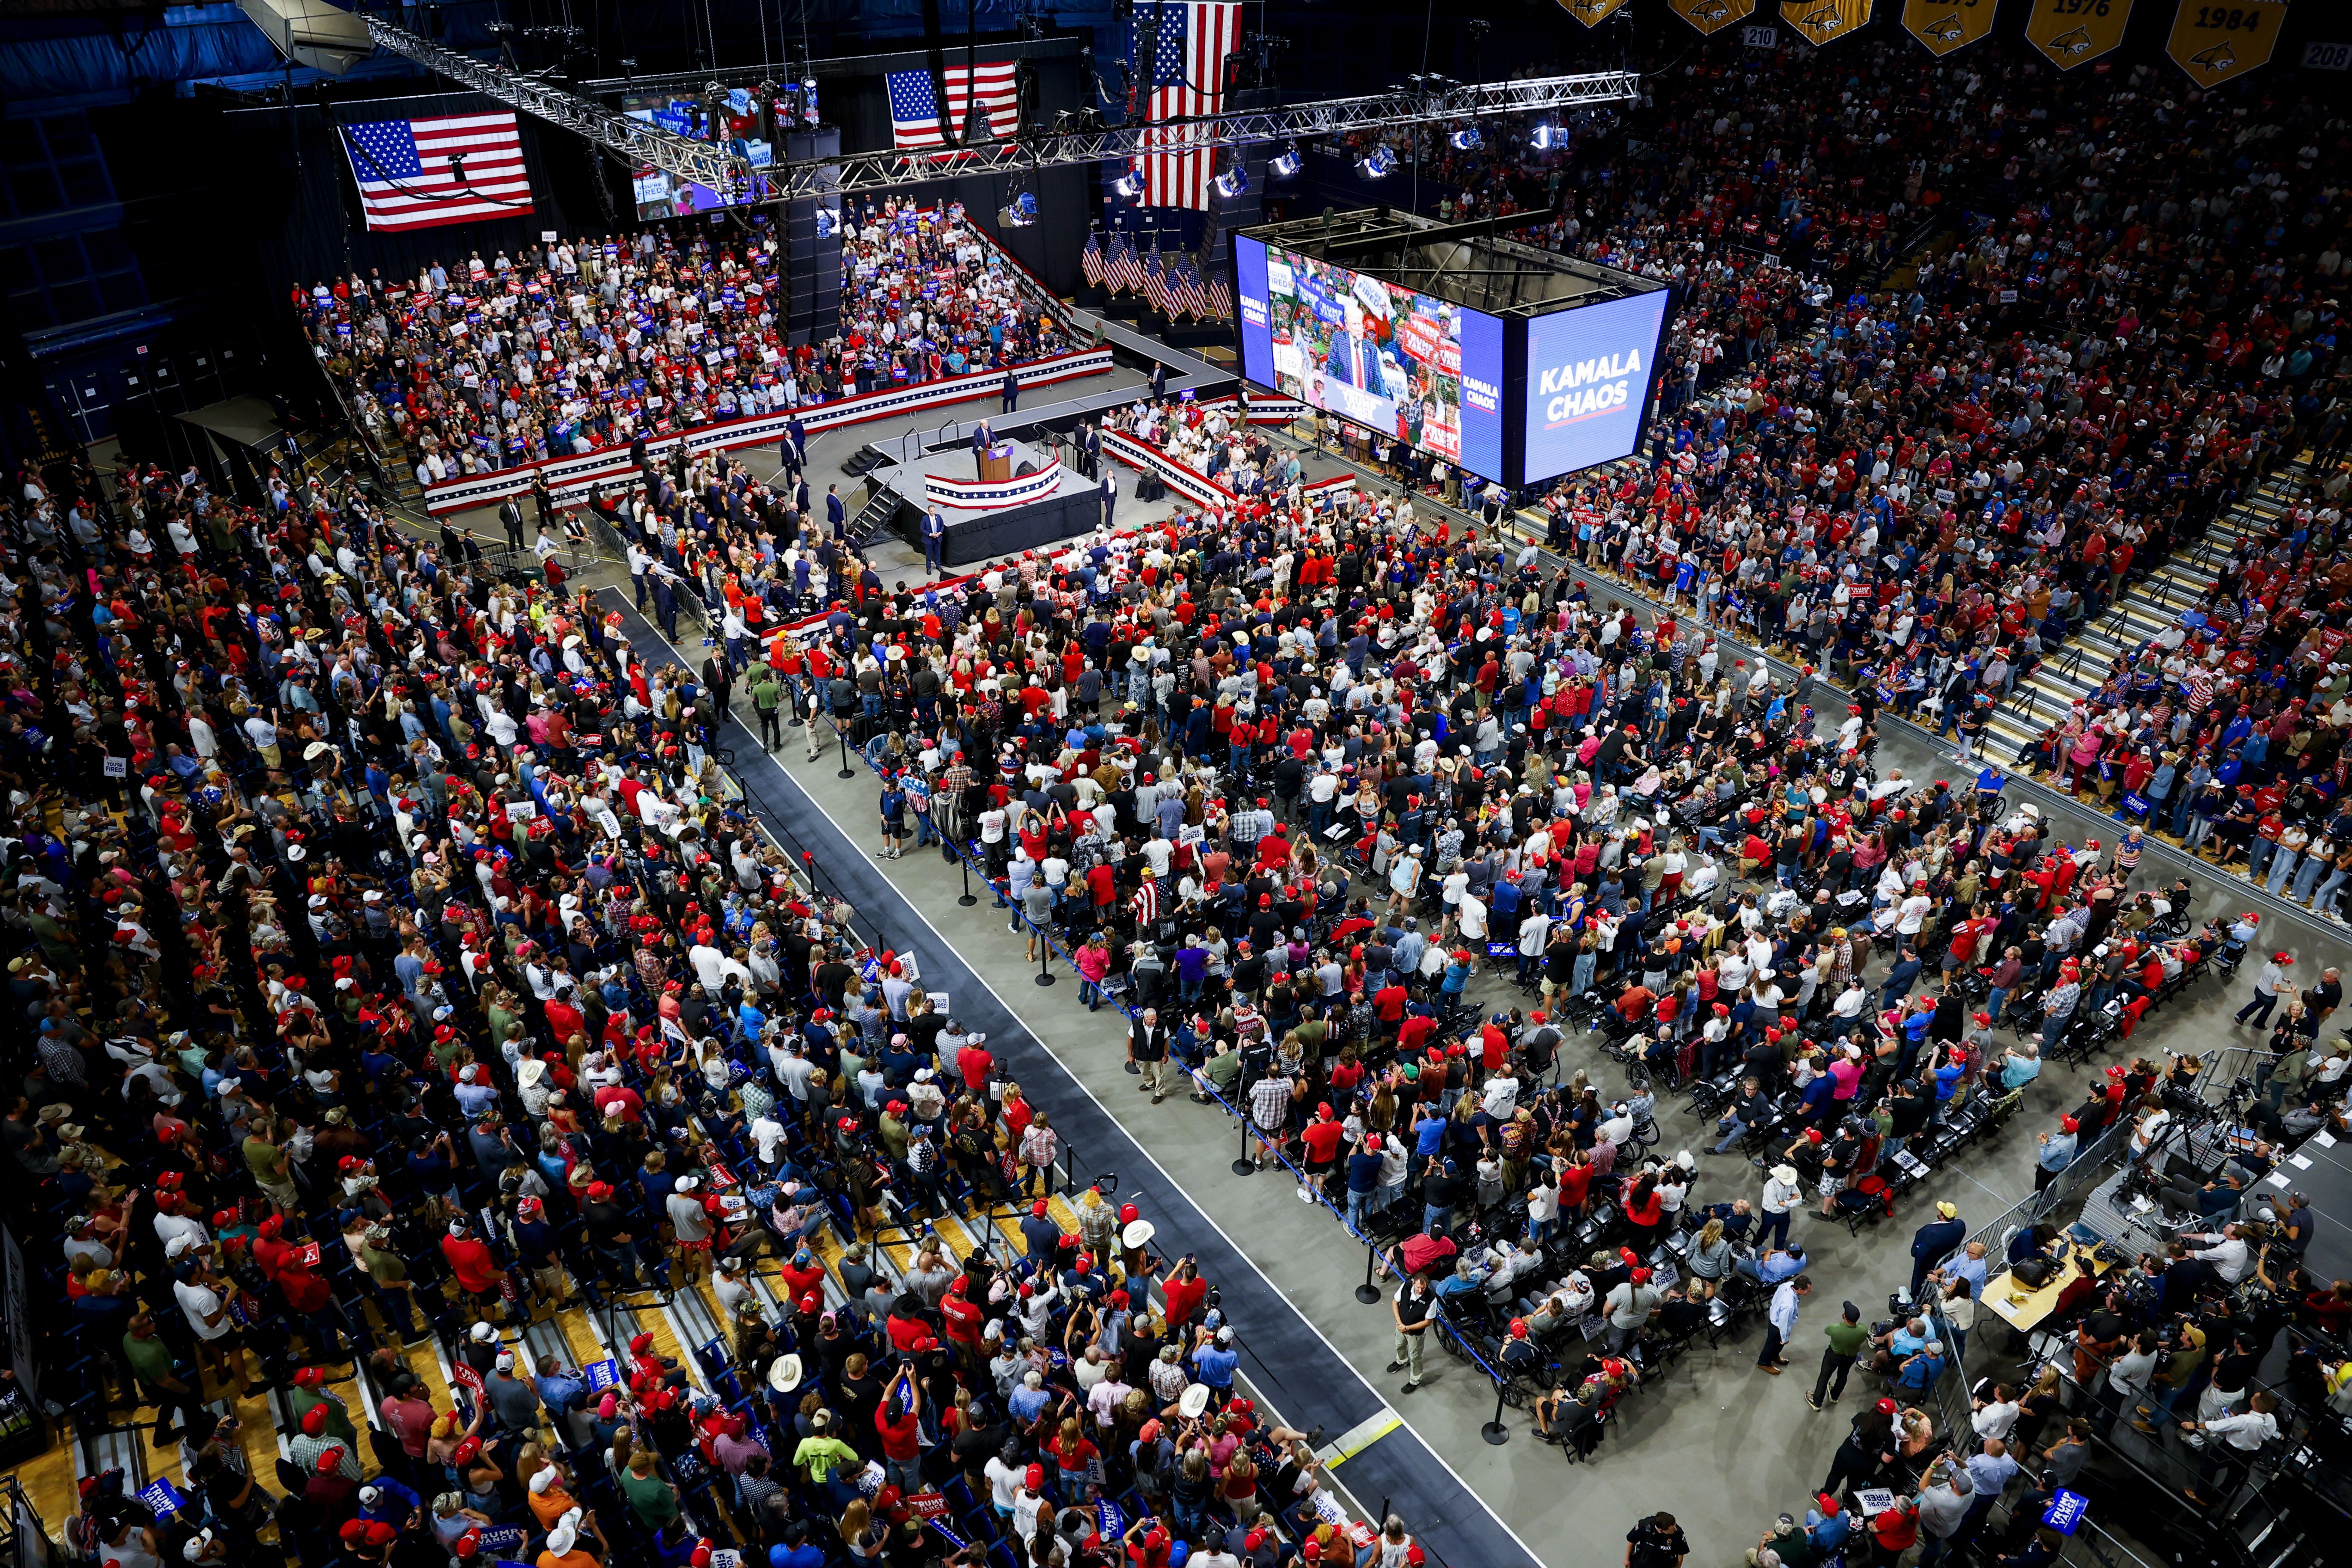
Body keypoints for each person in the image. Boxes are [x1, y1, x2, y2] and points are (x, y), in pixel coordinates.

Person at [1810, 1299, 1868, 1410]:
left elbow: (1827, 1331)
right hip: (1850, 1358)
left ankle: (1817, 1402)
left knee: (1824, 1377)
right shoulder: (1863, 1330)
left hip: (1833, 1356)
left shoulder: (1836, 1329)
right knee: (1843, 1375)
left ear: (1844, 1317)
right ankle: (1834, 1396)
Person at [1390, 1270, 1435, 1393]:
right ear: (1413, 1283)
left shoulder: (1431, 1299)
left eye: (1423, 1288)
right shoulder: (1406, 1286)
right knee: (1400, 1345)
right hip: (1401, 1328)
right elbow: (1395, 1302)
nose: (1421, 1291)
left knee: (1416, 1357)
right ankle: (1402, 1361)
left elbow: (1427, 1322)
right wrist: (1400, 1324)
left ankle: (1416, 1381)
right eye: (1418, 1287)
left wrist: (1408, 1328)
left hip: (1416, 1335)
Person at [1759, 1273, 1811, 1374]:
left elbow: (1775, 1298)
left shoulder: (1788, 1285)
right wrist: (1785, 1339)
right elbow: (1784, 1324)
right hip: (1778, 1326)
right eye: (1808, 1291)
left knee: (1776, 1346)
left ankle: (1775, 1356)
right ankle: (1764, 1363)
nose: (1810, 1292)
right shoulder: (1789, 1306)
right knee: (1772, 1345)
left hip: (1774, 1317)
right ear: (1800, 1290)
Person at [1625, 1512, 1689, 1568]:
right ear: (1662, 1530)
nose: (1676, 1529)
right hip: (1643, 1562)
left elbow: (1681, 1553)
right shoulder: (1644, 1526)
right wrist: (1627, 1560)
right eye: (1672, 1530)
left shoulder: (1678, 1534)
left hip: (1663, 1565)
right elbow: (1632, 1541)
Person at [923, 508, 948, 576]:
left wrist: (940, 533)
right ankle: (928, 568)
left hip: (937, 539)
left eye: (934, 511)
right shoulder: (925, 519)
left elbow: (942, 526)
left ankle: (938, 566)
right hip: (929, 540)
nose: (933, 512)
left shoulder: (938, 517)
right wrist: (931, 534)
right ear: (929, 511)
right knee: (929, 555)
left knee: (938, 554)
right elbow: (922, 529)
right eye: (931, 511)